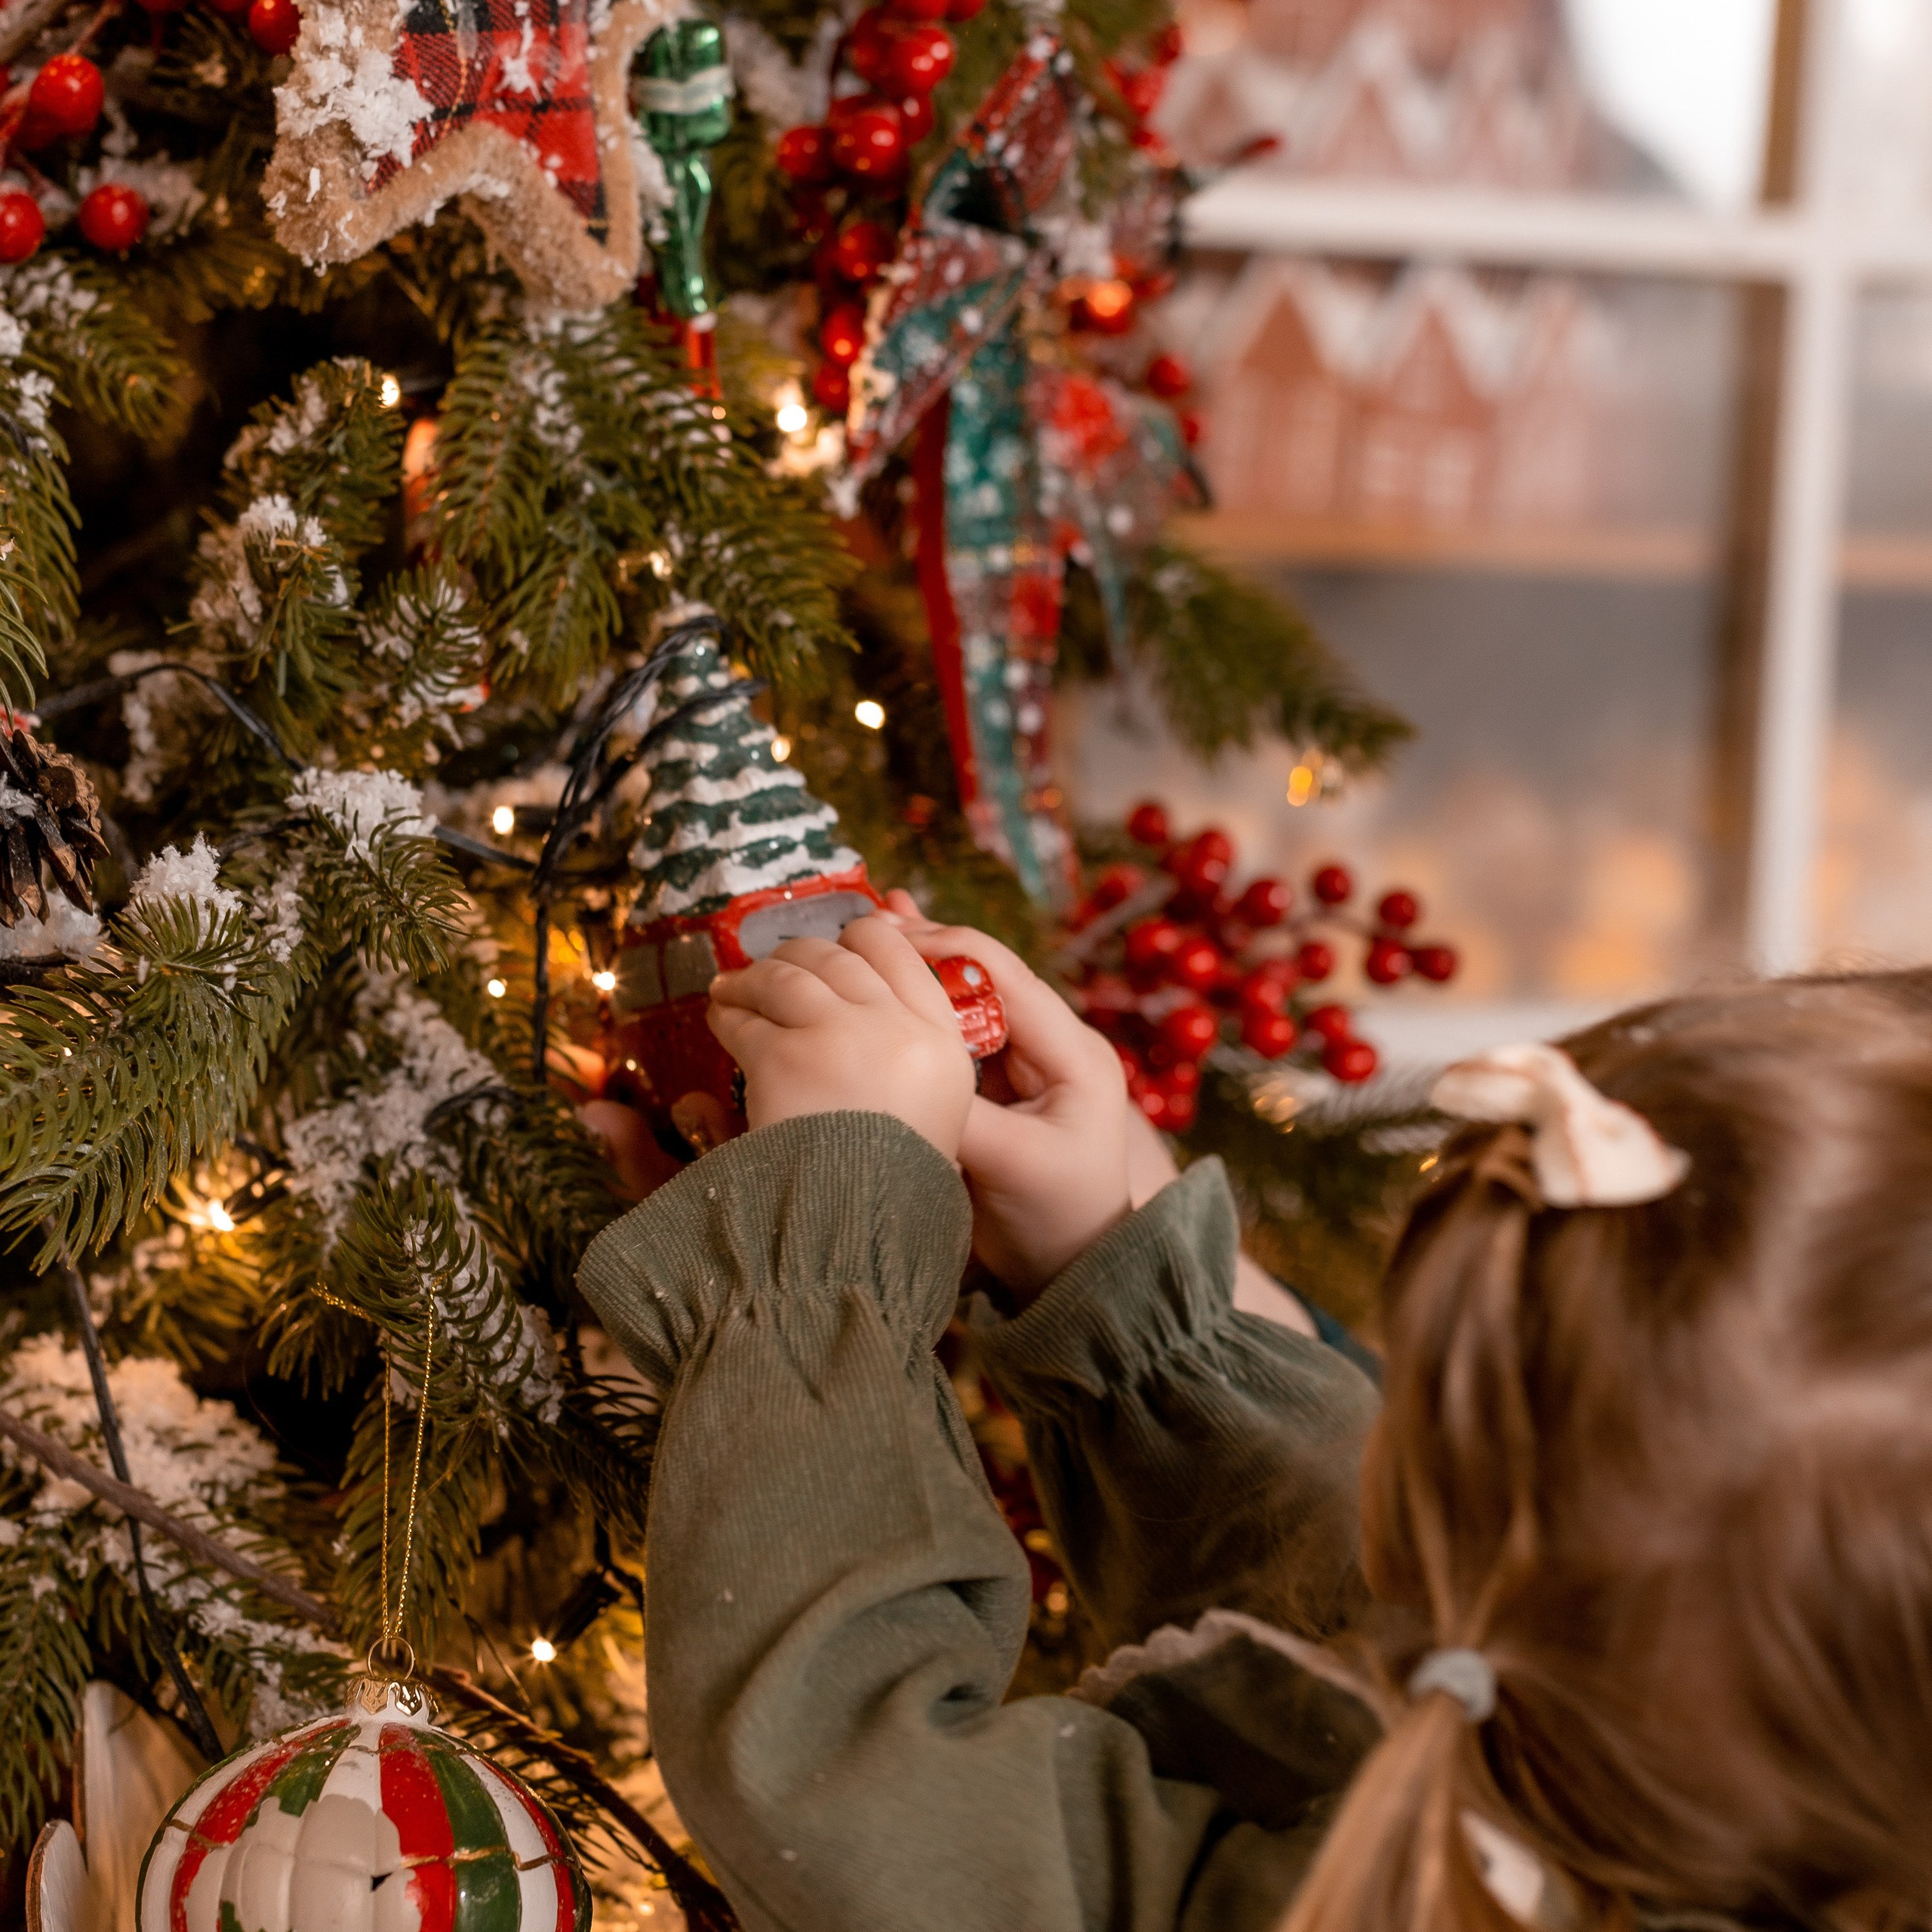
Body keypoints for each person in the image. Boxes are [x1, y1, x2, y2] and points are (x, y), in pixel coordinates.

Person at [575, 904, 1932, 1932]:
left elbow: (850, 1785)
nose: (1398, 1430)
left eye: (1453, 1426)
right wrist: (1119, 1289)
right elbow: (1377, 1602)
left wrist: (819, 1262)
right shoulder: (1675, 1743)